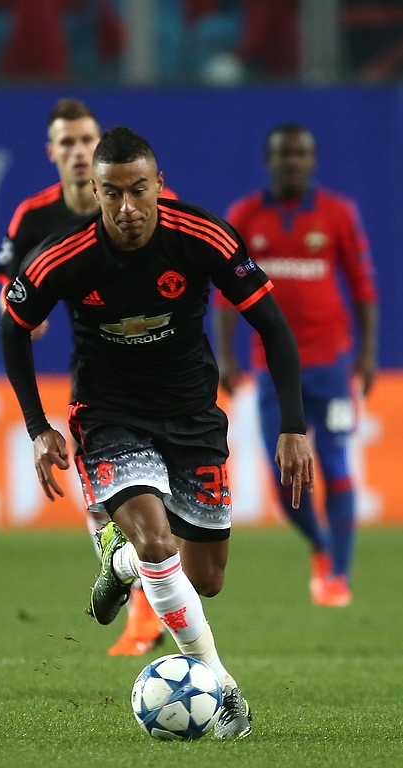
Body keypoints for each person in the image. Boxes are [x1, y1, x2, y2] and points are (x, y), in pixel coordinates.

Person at [0, 125, 314, 738]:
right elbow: (13, 326)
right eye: (113, 193)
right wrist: (38, 426)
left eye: (138, 190)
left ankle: (120, 564)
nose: (127, 207)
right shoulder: (63, 257)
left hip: (192, 416)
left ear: (158, 185)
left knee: (205, 580)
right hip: (109, 415)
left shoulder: (202, 235)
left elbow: (273, 327)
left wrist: (294, 426)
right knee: (157, 542)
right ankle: (222, 687)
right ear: (95, 191)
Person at [0, 98, 176, 657]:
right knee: (109, 500)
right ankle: (134, 591)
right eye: (67, 142)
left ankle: (138, 588)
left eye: (86, 140)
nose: (77, 151)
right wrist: (23, 310)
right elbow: (9, 296)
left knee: (171, 510)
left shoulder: (145, 205)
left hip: (166, 366)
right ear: (51, 152)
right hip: (96, 365)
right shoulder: (33, 218)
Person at [213, 123, 378, 607]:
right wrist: (226, 355)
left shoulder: (338, 213)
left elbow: (363, 285)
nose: (292, 162)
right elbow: (225, 294)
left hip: (330, 366)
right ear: (270, 161)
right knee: (284, 481)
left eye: (301, 154)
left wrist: (367, 353)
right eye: (284, 154)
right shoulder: (245, 215)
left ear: (313, 160)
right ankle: (323, 547)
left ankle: (338, 576)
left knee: (336, 466)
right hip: (271, 371)